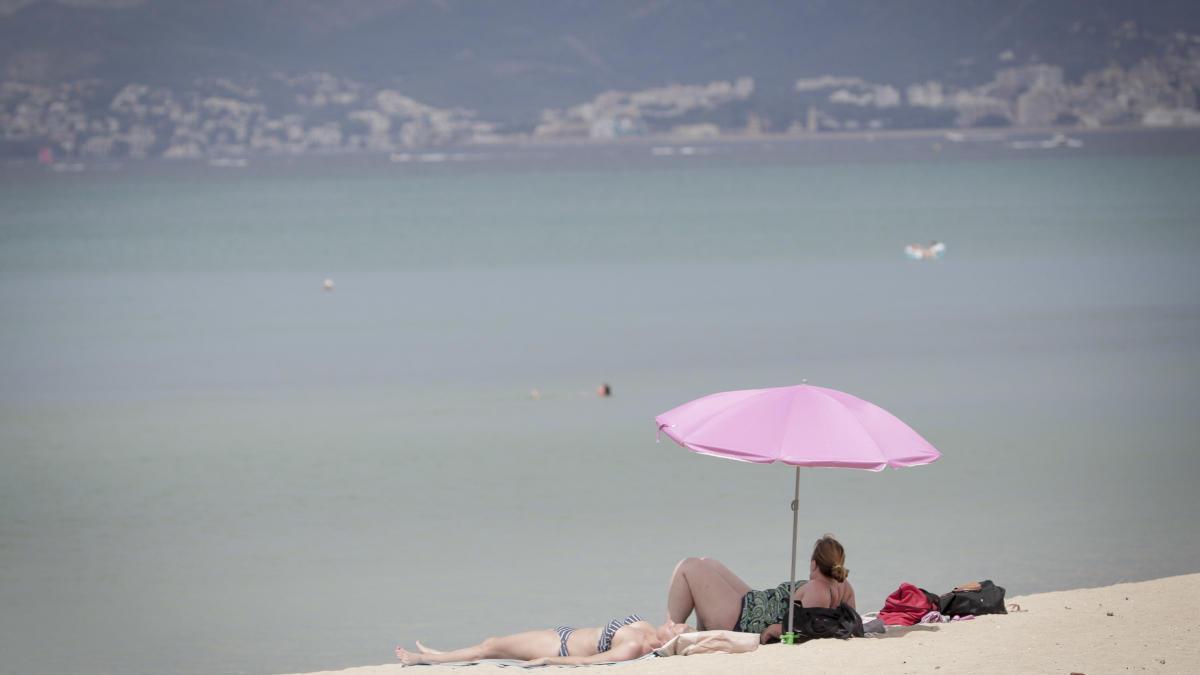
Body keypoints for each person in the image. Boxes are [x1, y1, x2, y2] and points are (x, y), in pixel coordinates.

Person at [665, 534, 856, 643]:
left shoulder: (816, 588)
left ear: (814, 564)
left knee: (689, 566)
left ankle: (670, 629)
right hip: (755, 604)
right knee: (708, 563)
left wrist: (775, 629)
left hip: (745, 620)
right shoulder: (845, 587)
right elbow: (851, 621)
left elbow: (802, 628)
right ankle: (688, 628)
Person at [395, 615, 692, 666]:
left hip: (557, 646)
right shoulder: (647, 628)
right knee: (492, 642)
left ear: (669, 641)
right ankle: (439, 654)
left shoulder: (633, 647)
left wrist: (549, 660)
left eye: (677, 627)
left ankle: (427, 658)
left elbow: (588, 661)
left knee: (491, 646)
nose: (674, 622)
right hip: (563, 632)